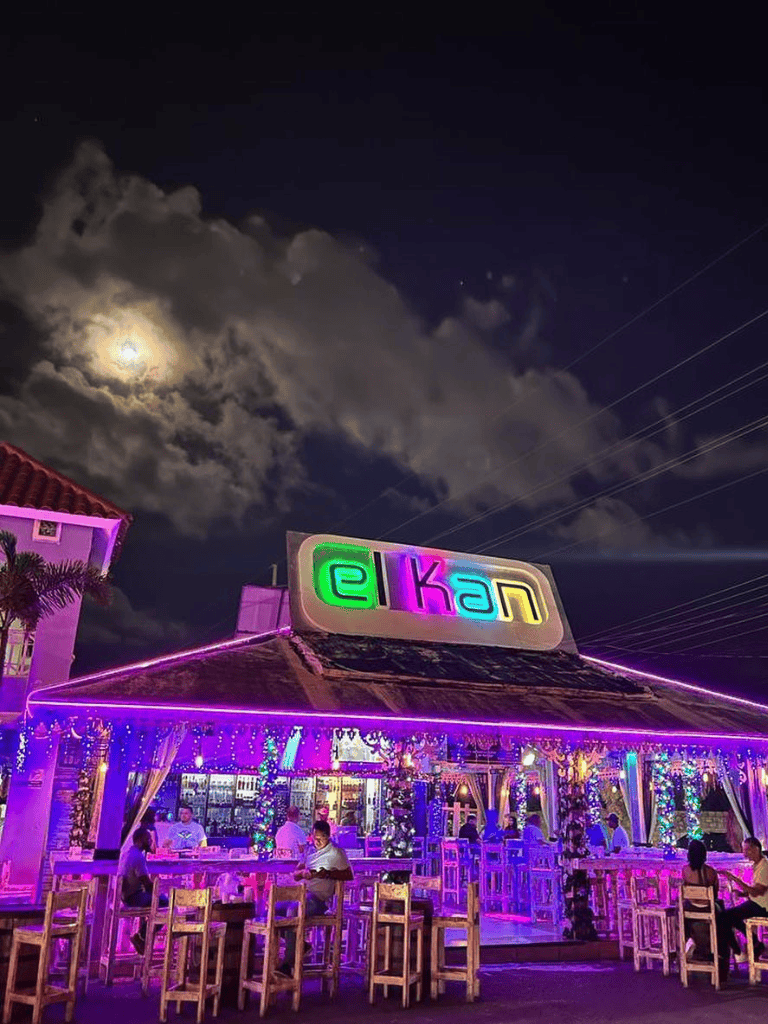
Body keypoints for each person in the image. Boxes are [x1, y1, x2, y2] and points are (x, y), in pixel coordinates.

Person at [279, 820, 353, 975]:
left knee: (293, 911)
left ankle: (287, 964)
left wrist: (325, 873)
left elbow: (348, 874)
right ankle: (301, 946)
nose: (317, 841)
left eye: (321, 838)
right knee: (274, 910)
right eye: (315, 838)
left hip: (319, 900)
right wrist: (302, 873)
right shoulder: (309, 851)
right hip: (301, 893)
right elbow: (296, 873)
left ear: (328, 837)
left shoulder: (337, 853)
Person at [717, 836, 768, 982]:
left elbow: (757, 892)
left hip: (762, 907)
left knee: (725, 917)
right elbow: (756, 890)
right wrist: (742, 893)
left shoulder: (764, 866)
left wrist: (734, 879)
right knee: (727, 917)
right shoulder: (757, 866)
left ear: (755, 849)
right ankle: (752, 945)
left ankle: (739, 950)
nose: (745, 854)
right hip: (756, 903)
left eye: (747, 850)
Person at [119, 827, 167, 955]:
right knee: (165, 905)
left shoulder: (128, 852)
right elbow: (146, 883)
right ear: (140, 840)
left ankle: (142, 937)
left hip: (125, 895)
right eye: (148, 839)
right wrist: (160, 894)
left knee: (160, 901)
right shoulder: (138, 857)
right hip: (133, 897)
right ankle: (141, 937)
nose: (150, 841)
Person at [681, 839, 720, 960]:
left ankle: (687, 938)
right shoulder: (711, 872)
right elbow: (716, 893)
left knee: (679, 910)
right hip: (709, 909)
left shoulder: (685, 870)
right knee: (721, 908)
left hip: (692, 909)